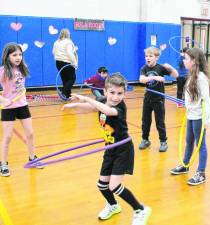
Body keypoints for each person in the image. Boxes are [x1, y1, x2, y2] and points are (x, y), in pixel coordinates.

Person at [62, 74, 151, 225]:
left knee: (114, 185)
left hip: (123, 150)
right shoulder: (102, 101)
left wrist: (87, 98)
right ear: (105, 92)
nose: (115, 97)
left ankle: (140, 209)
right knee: (102, 185)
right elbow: (92, 108)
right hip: (110, 149)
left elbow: (108, 111)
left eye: (120, 93)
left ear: (124, 93)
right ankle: (113, 205)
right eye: (112, 93)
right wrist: (74, 105)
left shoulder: (120, 107)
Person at [170, 48, 210, 186]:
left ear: (193, 61)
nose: (184, 60)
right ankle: (185, 165)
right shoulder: (191, 76)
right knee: (189, 141)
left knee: (201, 145)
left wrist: (207, 119)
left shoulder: (201, 79)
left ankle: (201, 172)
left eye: (186, 58)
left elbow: (207, 100)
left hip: (199, 117)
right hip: (191, 115)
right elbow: (191, 98)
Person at [0, 43, 43, 177]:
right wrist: (3, 100)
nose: (18, 57)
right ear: (7, 56)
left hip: (22, 105)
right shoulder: (3, 71)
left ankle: (32, 158)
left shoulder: (22, 68)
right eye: (14, 55)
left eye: (20, 54)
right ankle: (3, 163)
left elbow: (20, 87)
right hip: (8, 107)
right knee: (7, 137)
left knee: (30, 133)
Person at [138, 46, 178, 152]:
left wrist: (170, 67)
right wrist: (154, 78)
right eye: (146, 56)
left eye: (150, 56)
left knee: (160, 122)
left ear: (156, 58)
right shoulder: (144, 68)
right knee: (145, 121)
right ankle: (145, 140)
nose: (148, 58)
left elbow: (176, 75)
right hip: (147, 99)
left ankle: (163, 142)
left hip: (158, 100)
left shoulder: (160, 68)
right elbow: (142, 80)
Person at [52, 28, 78, 99]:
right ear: (68, 34)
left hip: (58, 62)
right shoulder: (68, 42)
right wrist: (75, 63)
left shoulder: (56, 42)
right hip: (66, 63)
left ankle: (67, 95)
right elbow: (69, 53)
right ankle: (63, 91)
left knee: (65, 79)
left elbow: (53, 52)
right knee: (72, 79)